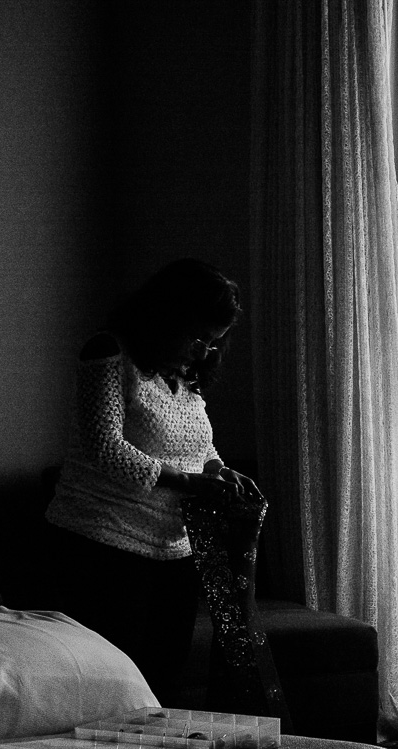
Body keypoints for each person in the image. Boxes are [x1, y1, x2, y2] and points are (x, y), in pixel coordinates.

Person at [45, 258, 253, 704]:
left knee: (163, 680)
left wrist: (218, 470)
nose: (203, 352)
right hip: (102, 544)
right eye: (198, 337)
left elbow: (199, 445)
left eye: (213, 344)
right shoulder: (108, 354)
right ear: (167, 317)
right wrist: (186, 481)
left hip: (173, 547)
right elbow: (105, 447)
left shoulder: (182, 373)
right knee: (110, 686)